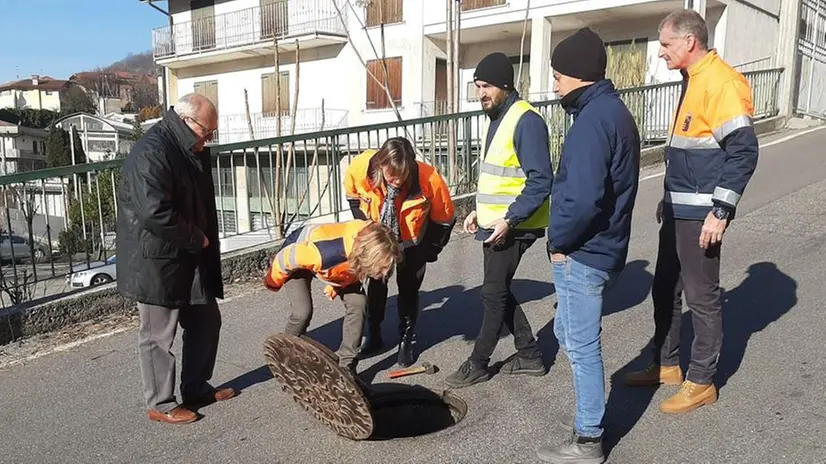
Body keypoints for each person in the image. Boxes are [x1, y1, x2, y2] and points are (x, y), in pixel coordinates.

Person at [623, 9, 758, 414]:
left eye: (665, 45)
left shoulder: (722, 83)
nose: (660, 53)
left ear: (689, 42)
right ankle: (667, 365)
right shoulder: (693, 79)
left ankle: (701, 380)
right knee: (664, 287)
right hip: (679, 208)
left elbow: (743, 151)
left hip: (702, 214)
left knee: (702, 296)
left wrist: (721, 211)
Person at [535, 28, 640, 464]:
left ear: (578, 75)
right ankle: (588, 417)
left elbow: (581, 199)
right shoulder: (612, 113)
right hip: (603, 248)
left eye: (558, 74)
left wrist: (558, 242)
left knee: (581, 347)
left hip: (584, 253)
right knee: (571, 335)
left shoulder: (592, 123)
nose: (554, 83)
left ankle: (589, 438)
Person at [116, 93, 235, 425]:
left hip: (187, 254)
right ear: (187, 121)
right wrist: (198, 237)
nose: (209, 138)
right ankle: (161, 403)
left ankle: (196, 387)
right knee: (158, 334)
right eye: (207, 132)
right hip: (156, 259)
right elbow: (155, 211)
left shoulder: (183, 146)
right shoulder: (152, 152)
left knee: (206, 321)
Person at [444, 51, 553, 389]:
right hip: (499, 221)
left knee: (492, 294)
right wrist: (481, 210)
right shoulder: (499, 116)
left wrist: (508, 219)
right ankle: (530, 355)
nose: (481, 93)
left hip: (516, 224)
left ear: (505, 85)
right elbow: (501, 177)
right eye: (477, 86)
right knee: (498, 290)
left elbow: (541, 180)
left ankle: (478, 362)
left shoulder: (526, 120)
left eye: (487, 86)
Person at [344, 137, 455, 367]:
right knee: (376, 285)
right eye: (390, 174)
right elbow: (352, 196)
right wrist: (366, 228)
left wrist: (431, 250)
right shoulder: (362, 167)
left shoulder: (428, 177)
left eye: (401, 175)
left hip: (413, 243)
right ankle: (373, 334)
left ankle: (406, 338)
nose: (395, 181)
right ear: (381, 164)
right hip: (379, 240)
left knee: (408, 290)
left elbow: (444, 219)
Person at [263, 219, 402, 376]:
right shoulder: (322, 254)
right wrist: (271, 283)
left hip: (337, 265)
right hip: (297, 258)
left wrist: (337, 283)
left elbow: (352, 269)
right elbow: (284, 260)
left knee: (358, 303)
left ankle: (346, 365)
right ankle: (285, 356)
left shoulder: (367, 246)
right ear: (368, 256)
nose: (384, 273)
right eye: (382, 267)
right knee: (302, 312)